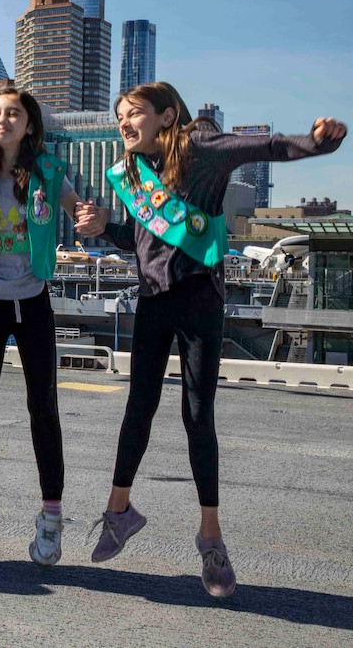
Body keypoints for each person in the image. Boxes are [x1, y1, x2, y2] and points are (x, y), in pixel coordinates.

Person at [75, 82, 346, 596]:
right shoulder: (132, 170)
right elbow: (143, 240)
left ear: (167, 115)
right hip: (154, 297)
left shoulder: (199, 150)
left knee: (198, 415)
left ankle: (211, 537)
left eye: (134, 114)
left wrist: (318, 144)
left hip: (200, 299)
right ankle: (119, 511)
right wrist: (106, 227)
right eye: (119, 117)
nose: (124, 124)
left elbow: (263, 147)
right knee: (139, 407)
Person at [0, 87, 84, 564]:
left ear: (29, 124)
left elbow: (76, 210)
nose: (4, 120)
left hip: (34, 301)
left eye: (14, 114)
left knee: (43, 406)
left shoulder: (48, 170)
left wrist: (90, 217)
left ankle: (51, 518)